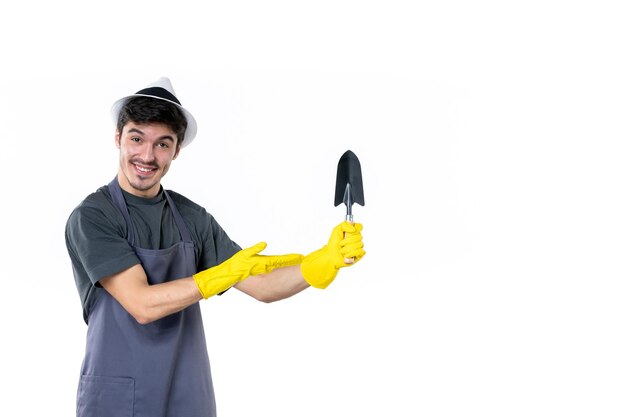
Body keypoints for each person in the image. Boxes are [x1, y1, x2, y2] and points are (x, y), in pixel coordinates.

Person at [65, 77, 365, 417]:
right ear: (118, 138)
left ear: (176, 150)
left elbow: (261, 285)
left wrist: (324, 261)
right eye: (137, 139)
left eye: (162, 144)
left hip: (186, 393)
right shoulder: (93, 217)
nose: (147, 156)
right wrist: (215, 278)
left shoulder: (191, 218)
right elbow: (142, 305)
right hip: (118, 398)